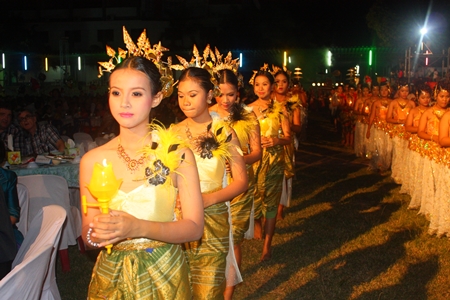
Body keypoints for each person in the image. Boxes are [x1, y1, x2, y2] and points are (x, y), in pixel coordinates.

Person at [80, 54, 204, 299]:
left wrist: (137, 227)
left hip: (165, 275)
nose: (124, 103)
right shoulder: (92, 160)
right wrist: (96, 236)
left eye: (136, 94)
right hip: (111, 276)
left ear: (156, 98)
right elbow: (87, 232)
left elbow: (194, 228)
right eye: (116, 93)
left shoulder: (177, 154)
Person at [172, 66, 248, 299]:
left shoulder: (223, 131)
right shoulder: (171, 132)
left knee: (209, 290)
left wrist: (208, 199)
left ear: (209, 94)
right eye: (181, 95)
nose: (185, 102)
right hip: (177, 220)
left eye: (192, 95)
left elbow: (241, 182)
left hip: (213, 220)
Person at [209, 68, 261, 299]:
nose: (225, 100)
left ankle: (227, 295)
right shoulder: (207, 115)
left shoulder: (248, 116)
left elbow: (257, 152)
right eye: (220, 94)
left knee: (233, 240)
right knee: (215, 240)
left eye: (230, 94)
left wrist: (239, 160)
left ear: (237, 93)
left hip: (239, 184)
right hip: (213, 184)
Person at [248, 69, 291, 261]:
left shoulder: (280, 108)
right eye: (257, 84)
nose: (261, 88)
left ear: (271, 87)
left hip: (274, 161)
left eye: (265, 84)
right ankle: (257, 223)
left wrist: (276, 141)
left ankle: (267, 245)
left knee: (271, 203)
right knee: (254, 199)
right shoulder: (246, 110)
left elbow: (288, 138)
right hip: (254, 163)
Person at [272, 69, 301, 220]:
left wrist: (287, 125)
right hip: (269, 143)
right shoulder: (268, 101)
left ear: (288, 84)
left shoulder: (292, 103)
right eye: (277, 82)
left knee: (284, 174)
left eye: (284, 81)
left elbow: (298, 126)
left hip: (286, 143)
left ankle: (280, 207)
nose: (281, 85)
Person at [386, 84, 416, 183]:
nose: (404, 93)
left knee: (407, 153)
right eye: (402, 91)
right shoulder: (393, 103)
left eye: (407, 91)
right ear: (399, 91)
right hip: (397, 131)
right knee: (398, 153)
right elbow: (388, 118)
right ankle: (397, 175)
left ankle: (406, 175)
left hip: (408, 132)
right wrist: (400, 121)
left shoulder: (412, 103)